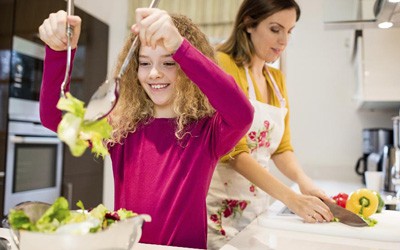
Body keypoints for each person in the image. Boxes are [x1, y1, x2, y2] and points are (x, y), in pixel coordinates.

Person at [38, 8, 253, 249]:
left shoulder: (207, 130)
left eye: (169, 62)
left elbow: (242, 113)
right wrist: (58, 53)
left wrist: (180, 47)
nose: (154, 73)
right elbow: (54, 117)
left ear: (187, 66)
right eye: (144, 62)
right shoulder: (120, 127)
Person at [206, 0, 334, 248]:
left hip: (258, 205)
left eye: (289, 31)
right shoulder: (223, 64)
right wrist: (291, 198)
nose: (284, 41)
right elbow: (233, 151)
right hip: (216, 206)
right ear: (249, 23)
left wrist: (304, 183)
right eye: (276, 29)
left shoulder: (276, 79)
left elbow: (282, 148)